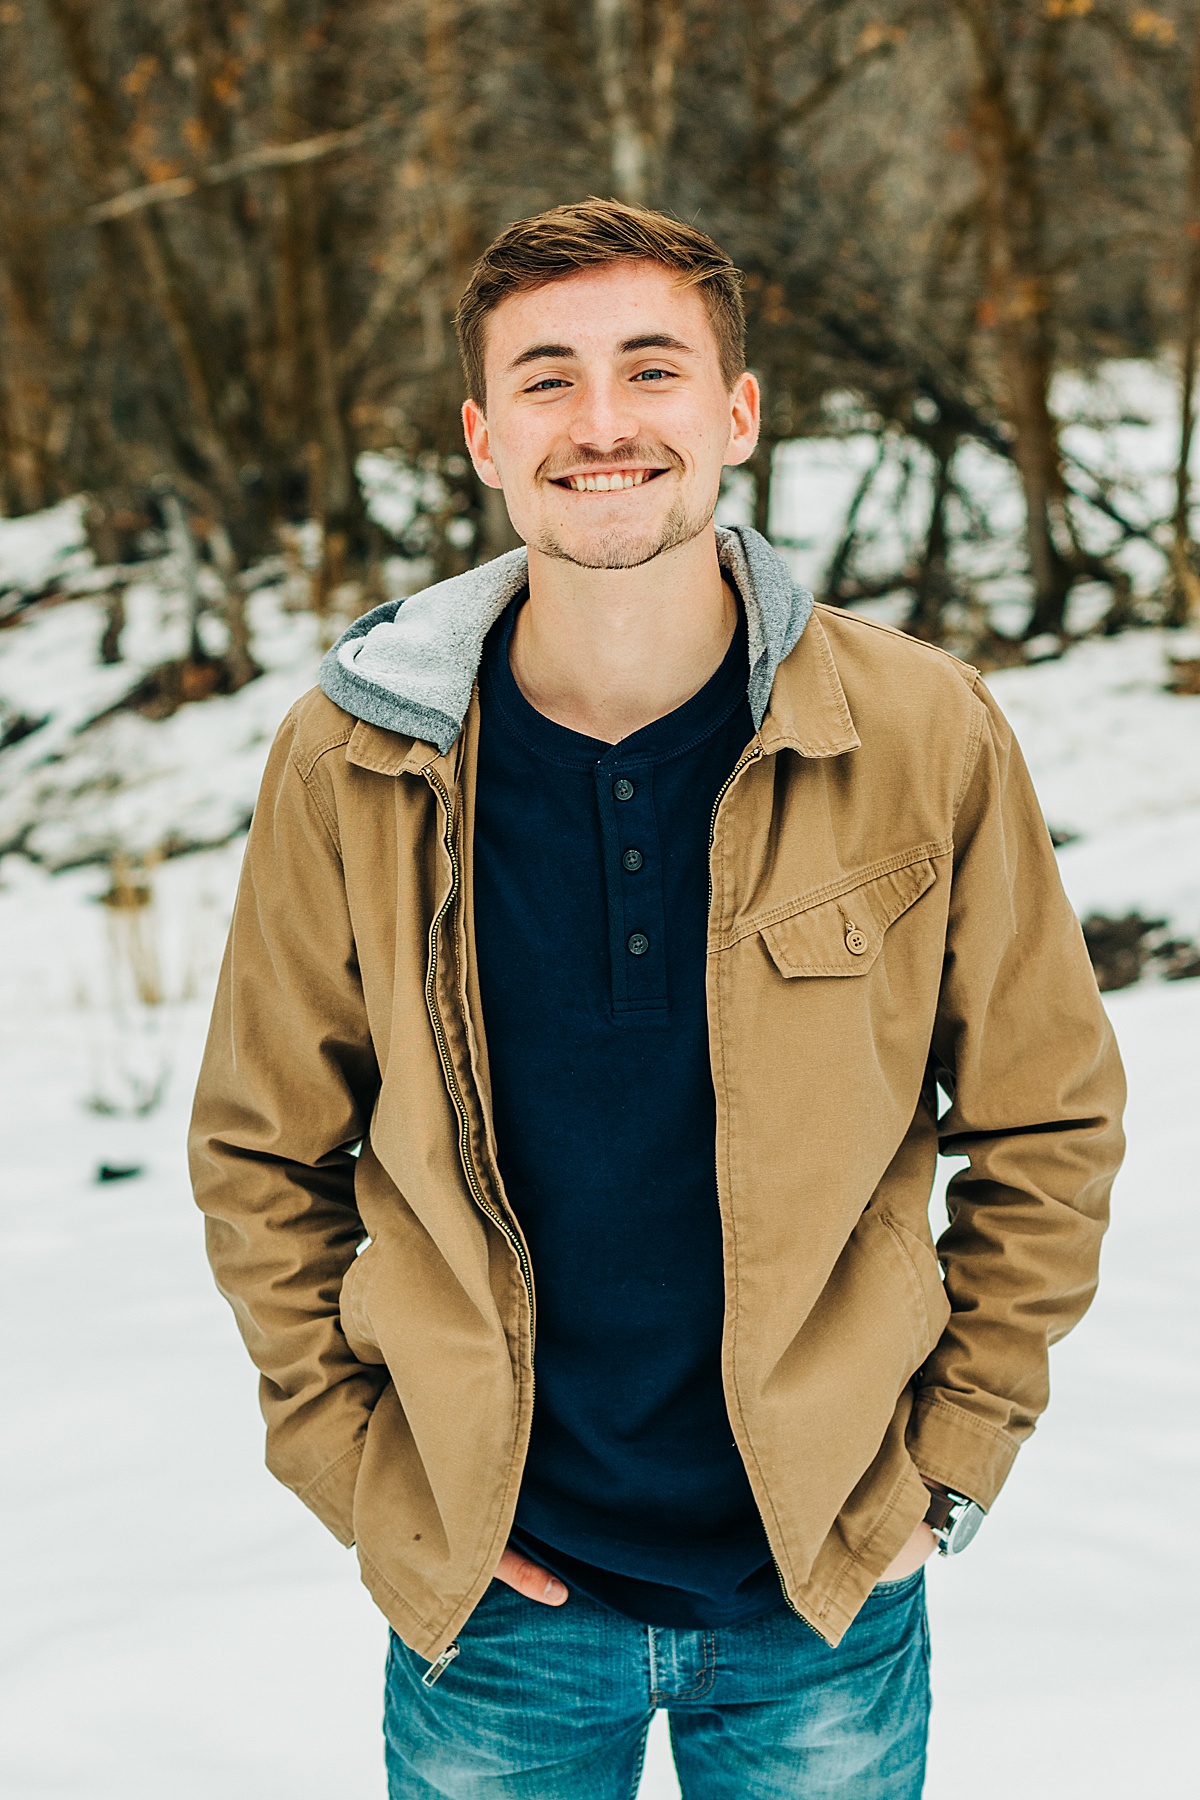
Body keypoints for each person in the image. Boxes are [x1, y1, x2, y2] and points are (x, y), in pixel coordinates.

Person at [190, 199, 1125, 1799]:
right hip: (495, 1610)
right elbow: (261, 1159)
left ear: (738, 414)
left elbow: (1052, 1119)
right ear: (484, 436)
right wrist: (368, 1479)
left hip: (821, 1588)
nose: (603, 423)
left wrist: (949, 1461)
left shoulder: (920, 731)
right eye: (546, 380)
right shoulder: (353, 758)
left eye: (653, 369)